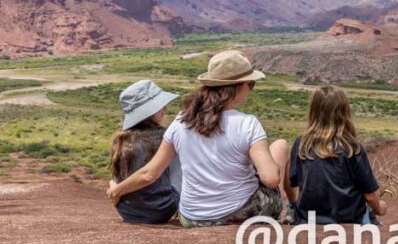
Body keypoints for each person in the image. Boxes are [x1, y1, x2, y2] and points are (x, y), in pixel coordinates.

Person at [107, 50, 290, 227]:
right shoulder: (248, 123)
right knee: (280, 146)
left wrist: (117, 190)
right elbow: (271, 179)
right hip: (240, 214)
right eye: (250, 84)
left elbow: (149, 174)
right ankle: (284, 212)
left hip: (192, 218)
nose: (251, 89)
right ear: (237, 87)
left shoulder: (180, 121)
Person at [284, 85, 387, 224]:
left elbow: (292, 183)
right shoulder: (352, 148)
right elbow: (370, 196)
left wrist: (293, 203)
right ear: (344, 112)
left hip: (308, 218)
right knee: (370, 207)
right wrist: (380, 208)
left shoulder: (301, 144)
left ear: (314, 111)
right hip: (347, 218)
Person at [109, 80, 181, 224]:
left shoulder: (121, 139)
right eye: (160, 105)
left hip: (126, 211)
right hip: (161, 211)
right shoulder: (164, 136)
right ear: (152, 111)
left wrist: (114, 189)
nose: (164, 108)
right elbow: (147, 177)